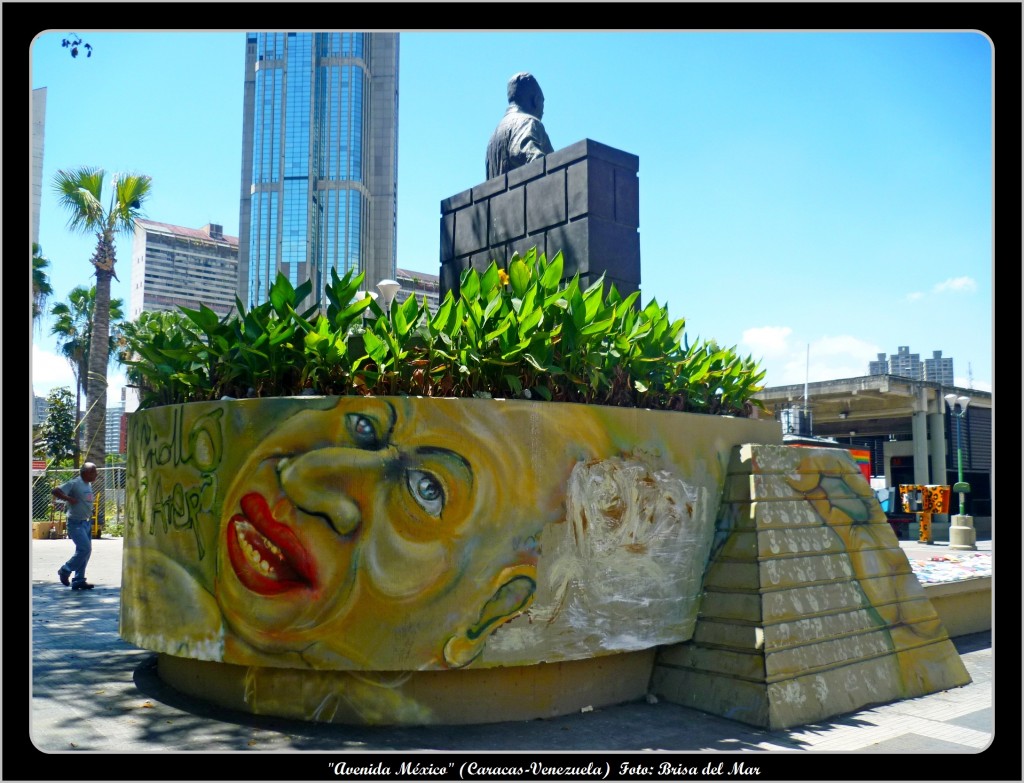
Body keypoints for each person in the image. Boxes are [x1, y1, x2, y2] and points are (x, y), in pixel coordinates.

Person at [485, 71, 554, 180]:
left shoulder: (493, 138)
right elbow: (536, 161)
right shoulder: (528, 122)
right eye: (542, 102)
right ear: (536, 100)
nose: (543, 111)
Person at [53, 462, 98, 590]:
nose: (96, 474)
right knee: (84, 549)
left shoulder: (88, 484)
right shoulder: (75, 483)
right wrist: (68, 498)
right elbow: (55, 491)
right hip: (75, 523)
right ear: (86, 472)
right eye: (94, 472)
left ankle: (79, 580)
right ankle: (65, 570)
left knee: (85, 552)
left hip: (86, 523)